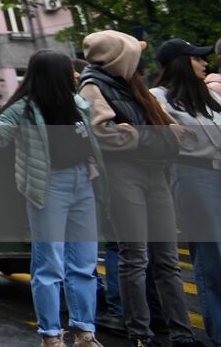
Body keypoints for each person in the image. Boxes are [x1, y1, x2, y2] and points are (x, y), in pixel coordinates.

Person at [77, 30, 197, 347]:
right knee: (136, 258)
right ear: (119, 55)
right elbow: (105, 135)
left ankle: (182, 334)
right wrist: (150, 138)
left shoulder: (131, 84)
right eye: (133, 53)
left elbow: (172, 129)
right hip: (122, 176)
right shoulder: (93, 85)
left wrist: (139, 135)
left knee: (167, 260)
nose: (139, 60)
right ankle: (141, 335)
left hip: (154, 174)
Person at [0, 49, 103, 347]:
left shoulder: (78, 104)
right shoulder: (24, 108)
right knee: (49, 264)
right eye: (68, 71)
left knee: (84, 263)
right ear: (54, 74)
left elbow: (90, 140)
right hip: (48, 187)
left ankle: (84, 331)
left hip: (83, 184)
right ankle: (50, 335)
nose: (75, 75)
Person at [151, 39, 221, 347]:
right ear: (180, 62)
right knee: (213, 253)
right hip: (192, 173)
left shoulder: (211, 94)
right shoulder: (157, 98)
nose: (205, 63)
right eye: (197, 58)